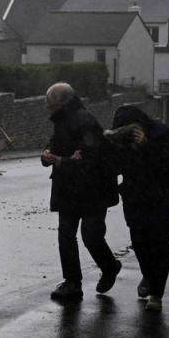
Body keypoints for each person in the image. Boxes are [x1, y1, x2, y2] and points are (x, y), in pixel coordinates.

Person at [105, 105, 169, 311]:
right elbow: (115, 166)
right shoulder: (121, 141)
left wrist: (146, 145)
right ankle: (150, 276)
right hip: (137, 199)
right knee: (140, 243)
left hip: (168, 197)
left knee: (160, 246)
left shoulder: (160, 133)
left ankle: (156, 294)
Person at [41, 82, 121, 301]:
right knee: (66, 234)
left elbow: (90, 160)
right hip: (69, 188)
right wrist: (47, 155)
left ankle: (110, 266)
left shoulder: (85, 121)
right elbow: (56, 145)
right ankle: (72, 283)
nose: (48, 107)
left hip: (94, 190)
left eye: (51, 102)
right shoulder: (62, 120)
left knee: (91, 235)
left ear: (62, 102)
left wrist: (60, 161)